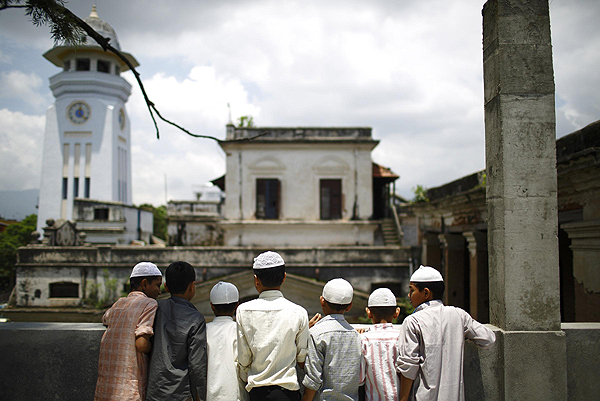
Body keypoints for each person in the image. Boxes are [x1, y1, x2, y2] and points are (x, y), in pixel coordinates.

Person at [395, 265, 496, 401]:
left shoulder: (413, 321)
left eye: (411, 290)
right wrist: (462, 334)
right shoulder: (459, 315)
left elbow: (408, 367)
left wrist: (402, 399)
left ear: (426, 293)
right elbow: (488, 339)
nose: (409, 295)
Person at [236, 251, 310, 401]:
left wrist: (246, 377)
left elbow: (243, 358)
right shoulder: (299, 312)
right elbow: (302, 357)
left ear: (256, 280)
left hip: (258, 393)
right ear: (284, 277)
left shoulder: (243, 311)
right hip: (288, 393)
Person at [94, 262, 163, 401]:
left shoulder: (119, 303)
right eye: (157, 285)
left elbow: (105, 318)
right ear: (144, 284)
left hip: (106, 388)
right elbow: (142, 344)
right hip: (129, 390)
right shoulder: (149, 304)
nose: (159, 291)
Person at [146, 261, 207, 401]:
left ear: (166, 286)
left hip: (153, 391)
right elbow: (197, 366)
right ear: (192, 286)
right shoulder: (196, 319)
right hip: (180, 393)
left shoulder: (154, 309)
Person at [302, 278, 362, 401]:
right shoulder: (356, 336)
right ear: (349, 306)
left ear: (322, 301)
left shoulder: (316, 333)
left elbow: (313, 379)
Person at [206, 281, 249, 401]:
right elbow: (244, 367)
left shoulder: (203, 331)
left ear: (212, 306)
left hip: (208, 395)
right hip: (235, 395)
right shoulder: (240, 331)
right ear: (237, 306)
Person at [359, 288, 402, 401]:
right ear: (396, 313)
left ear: (369, 313)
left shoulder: (364, 340)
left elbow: (359, 379)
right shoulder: (402, 338)